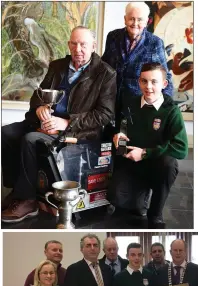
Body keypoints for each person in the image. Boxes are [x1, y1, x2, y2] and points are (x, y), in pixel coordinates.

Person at [2, 26, 116, 223]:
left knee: (31, 140)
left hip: (77, 130)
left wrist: (66, 122)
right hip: (46, 122)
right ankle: (17, 191)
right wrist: (39, 109)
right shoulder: (57, 66)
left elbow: (104, 114)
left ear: (93, 46)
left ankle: (28, 202)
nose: (78, 49)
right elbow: (39, 95)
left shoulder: (106, 73)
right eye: (74, 43)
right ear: (69, 44)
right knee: (6, 133)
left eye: (83, 44)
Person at [109, 62, 188, 228]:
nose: (148, 87)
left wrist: (145, 153)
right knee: (117, 199)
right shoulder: (130, 103)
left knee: (169, 164)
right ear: (139, 82)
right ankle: (141, 195)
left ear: (164, 84)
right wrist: (119, 134)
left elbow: (181, 149)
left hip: (157, 164)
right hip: (131, 162)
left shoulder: (171, 110)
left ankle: (156, 212)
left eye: (154, 81)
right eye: (144, 81)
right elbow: (122, 126)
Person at [102, 1, 173, 108]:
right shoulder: (113, 37)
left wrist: (165, 107)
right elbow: (104, 66)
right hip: (111, 102)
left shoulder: (155, 43)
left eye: (140, 20)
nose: (135, 23)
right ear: (125, 19)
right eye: (131, 19)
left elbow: (164, 75)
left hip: (139, 105)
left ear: (147, 22)